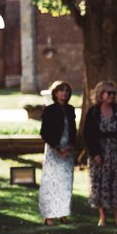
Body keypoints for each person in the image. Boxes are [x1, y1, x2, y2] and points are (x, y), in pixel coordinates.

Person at [84, 81, 117, 227]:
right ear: (100, 94)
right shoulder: (93, 112)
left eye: (113, 93)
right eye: (108, 93)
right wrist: (94, 153)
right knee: (99, 182)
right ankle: (102, 216)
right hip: (99, 151)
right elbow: (88, 135)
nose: (111, 96)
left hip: (115, 150)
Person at [39, 81, 76, 226]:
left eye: (67, 91)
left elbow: (73, 129)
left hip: (68, 150)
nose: (64, 93)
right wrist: (57, 148)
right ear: (55, 93)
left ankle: (62, 212)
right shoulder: (49, 110)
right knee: (51, 182)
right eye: (61, 90)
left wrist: (71, 146)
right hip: (54, 150)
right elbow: (44, 132)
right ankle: (49, 215)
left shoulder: (70, 110)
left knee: (65, 183)